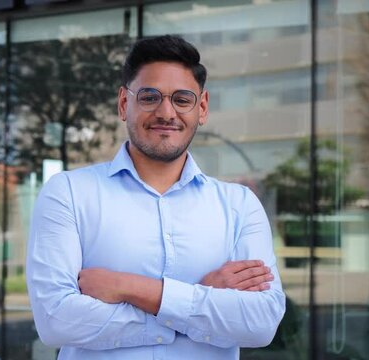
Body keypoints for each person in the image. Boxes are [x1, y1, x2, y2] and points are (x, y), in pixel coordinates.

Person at [26, 35, 285, 360]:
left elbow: (260, 323)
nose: (166, 112)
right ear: (124, 104)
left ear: (201, 108)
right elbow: (56, 321)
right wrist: (201, 299)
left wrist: (128, 287)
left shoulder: (239, 206)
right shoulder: (68, 194)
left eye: (182, 99)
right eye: (149, 97)